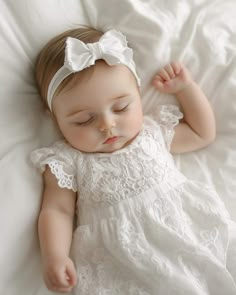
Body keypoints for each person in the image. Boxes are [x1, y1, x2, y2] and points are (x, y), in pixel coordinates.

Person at [31, 26, 236, 294]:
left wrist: (186, 89)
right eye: (84, 120)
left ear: (138, 94)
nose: (107, 125)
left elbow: (201, 134)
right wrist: (55, 256)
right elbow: (57, 211)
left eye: (121, 108)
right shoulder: (67, 161)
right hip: (124, 259)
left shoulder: (153, 131)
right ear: (54, 117)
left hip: (188, 231)